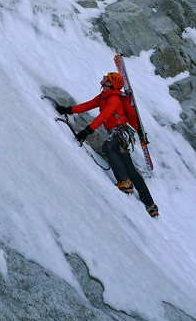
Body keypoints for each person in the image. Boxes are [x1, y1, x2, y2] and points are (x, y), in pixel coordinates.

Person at [55, 72, 159, 218]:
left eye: (107, 78)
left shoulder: (114, 98)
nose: (103, 77)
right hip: (119, 134)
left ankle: (124, 182)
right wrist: (67, 110)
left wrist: (86, 131)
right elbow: (87, 106)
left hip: (119, 133)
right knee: (130, 168)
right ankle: (150, 205)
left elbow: (103, 116)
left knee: (107, 147)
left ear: (110, 83)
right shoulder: (104, 96)